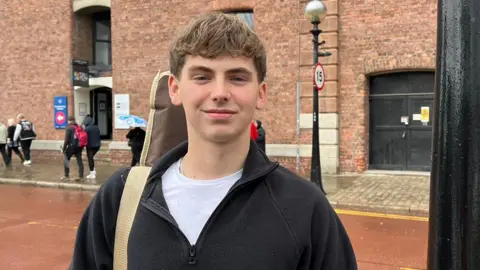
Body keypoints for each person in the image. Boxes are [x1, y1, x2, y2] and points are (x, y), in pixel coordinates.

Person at [70, 12, 357, 269]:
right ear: (175, 89)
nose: (220, 92)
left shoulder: (306, 209)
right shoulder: (120, 199)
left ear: (261, 93)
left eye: (237, 78)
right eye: (202, 77)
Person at [62, 116, 84, 181]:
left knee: (66, 159)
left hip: (72, 146)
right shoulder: (79, 127)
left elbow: (66, 140)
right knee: (79, 161)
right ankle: (81, 177)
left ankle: (66, 176)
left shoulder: (68, 128)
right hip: (79, 146)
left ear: (69, 120)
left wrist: (64, 148)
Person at [82, 115, 101, 179]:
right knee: (91, 158)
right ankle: (93, 170)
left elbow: (83, 138)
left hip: (90, 146)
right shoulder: (96, 127)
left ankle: (92, 173)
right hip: (97, 146)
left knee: (90, 159)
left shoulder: (86, 129)